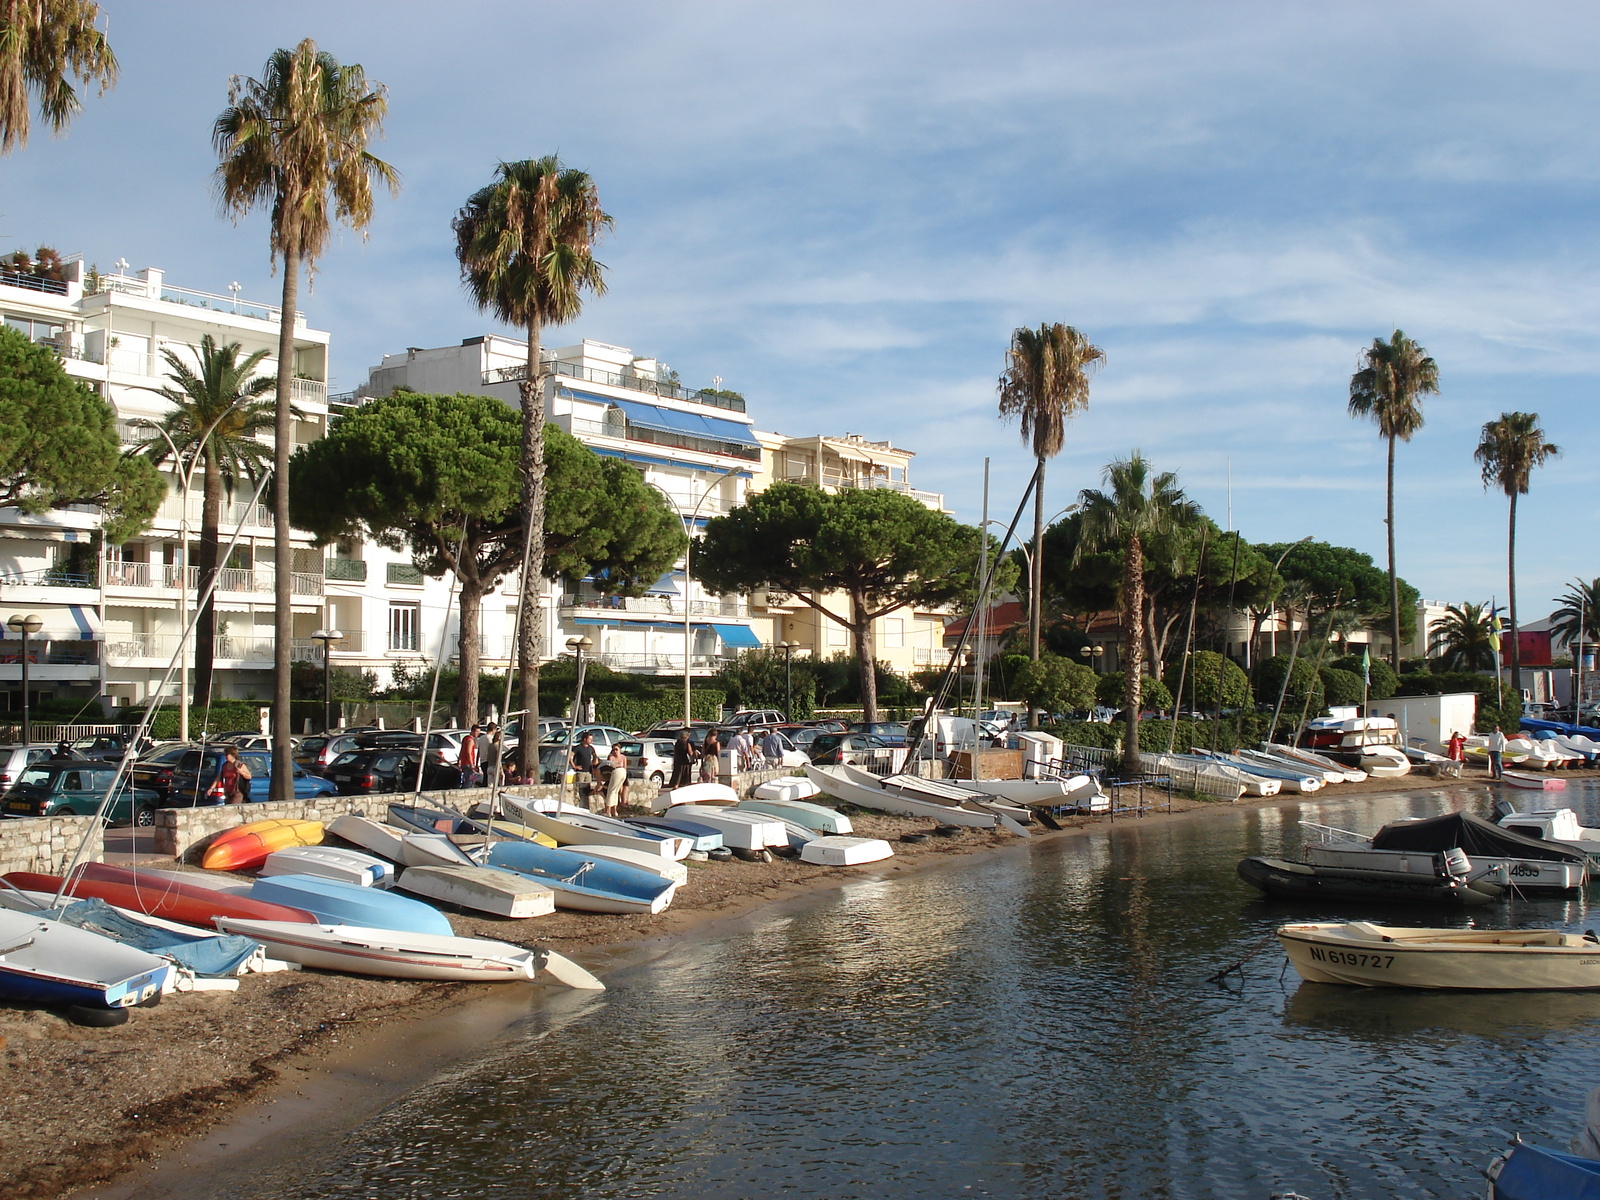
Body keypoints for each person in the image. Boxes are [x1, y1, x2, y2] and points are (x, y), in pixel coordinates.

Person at [570, 730, 601, 809]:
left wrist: (594, 764)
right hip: (581, 772)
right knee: (580, 789)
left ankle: (586, 806)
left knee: (587, 789)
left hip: (588, 772)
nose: (591, 741)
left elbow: (595, 758)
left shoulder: (591, 748)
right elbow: (570, 757)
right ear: (584, 739)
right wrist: (574, 766)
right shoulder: (578, 748)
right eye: (589, 739)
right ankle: (579, 805)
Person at [602, 742, 629, 816]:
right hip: (613, 774)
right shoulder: (611, 757)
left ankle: (612, 810)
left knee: (614, 792)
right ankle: (610, 810)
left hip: (621, 773)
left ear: (620, 749)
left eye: (616, 749)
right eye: (613, 750)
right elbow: (609, 767)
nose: (615, 751)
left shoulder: (623, 757)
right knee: (612, 791)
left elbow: (625, 768)